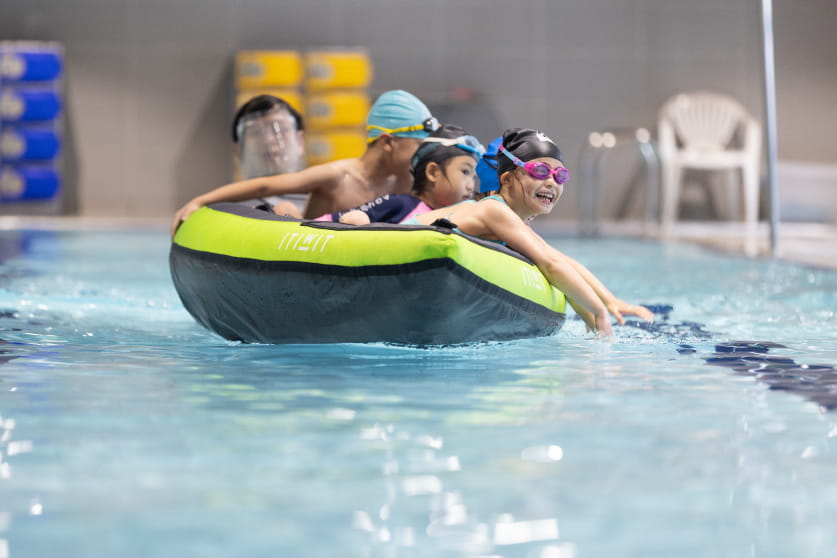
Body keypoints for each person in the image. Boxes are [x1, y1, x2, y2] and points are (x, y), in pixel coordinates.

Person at [402, 128, 654, 337]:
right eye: (540, 171)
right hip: (401, 254)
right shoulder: (493, 210)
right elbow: (551, 264)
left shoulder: (511, 221)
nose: (551, 182)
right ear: (507, 179)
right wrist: (599, 312)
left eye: (560, 175)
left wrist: (607, 304)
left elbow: (562, 262)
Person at [171, 89, 439, 237]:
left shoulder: (407, 181)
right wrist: (199, 201)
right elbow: (264, 186)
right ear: (387, 142)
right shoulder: (338, 175)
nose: (424, 158)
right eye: (419, 148)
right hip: (312, 259)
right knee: (285, 207)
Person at [315, 124, 483, 225]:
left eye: (474, 176)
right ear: (433, 172)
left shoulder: (461, 219)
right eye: (465, 172)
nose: (471, 185)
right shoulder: (401, 204)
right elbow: (328, 222)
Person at [231, 94, 306, 215]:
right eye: (256, 132)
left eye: (281, 130)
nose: (269, 139)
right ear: (237, 149)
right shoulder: (229, 211)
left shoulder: (329, 198)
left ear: (300, 141)